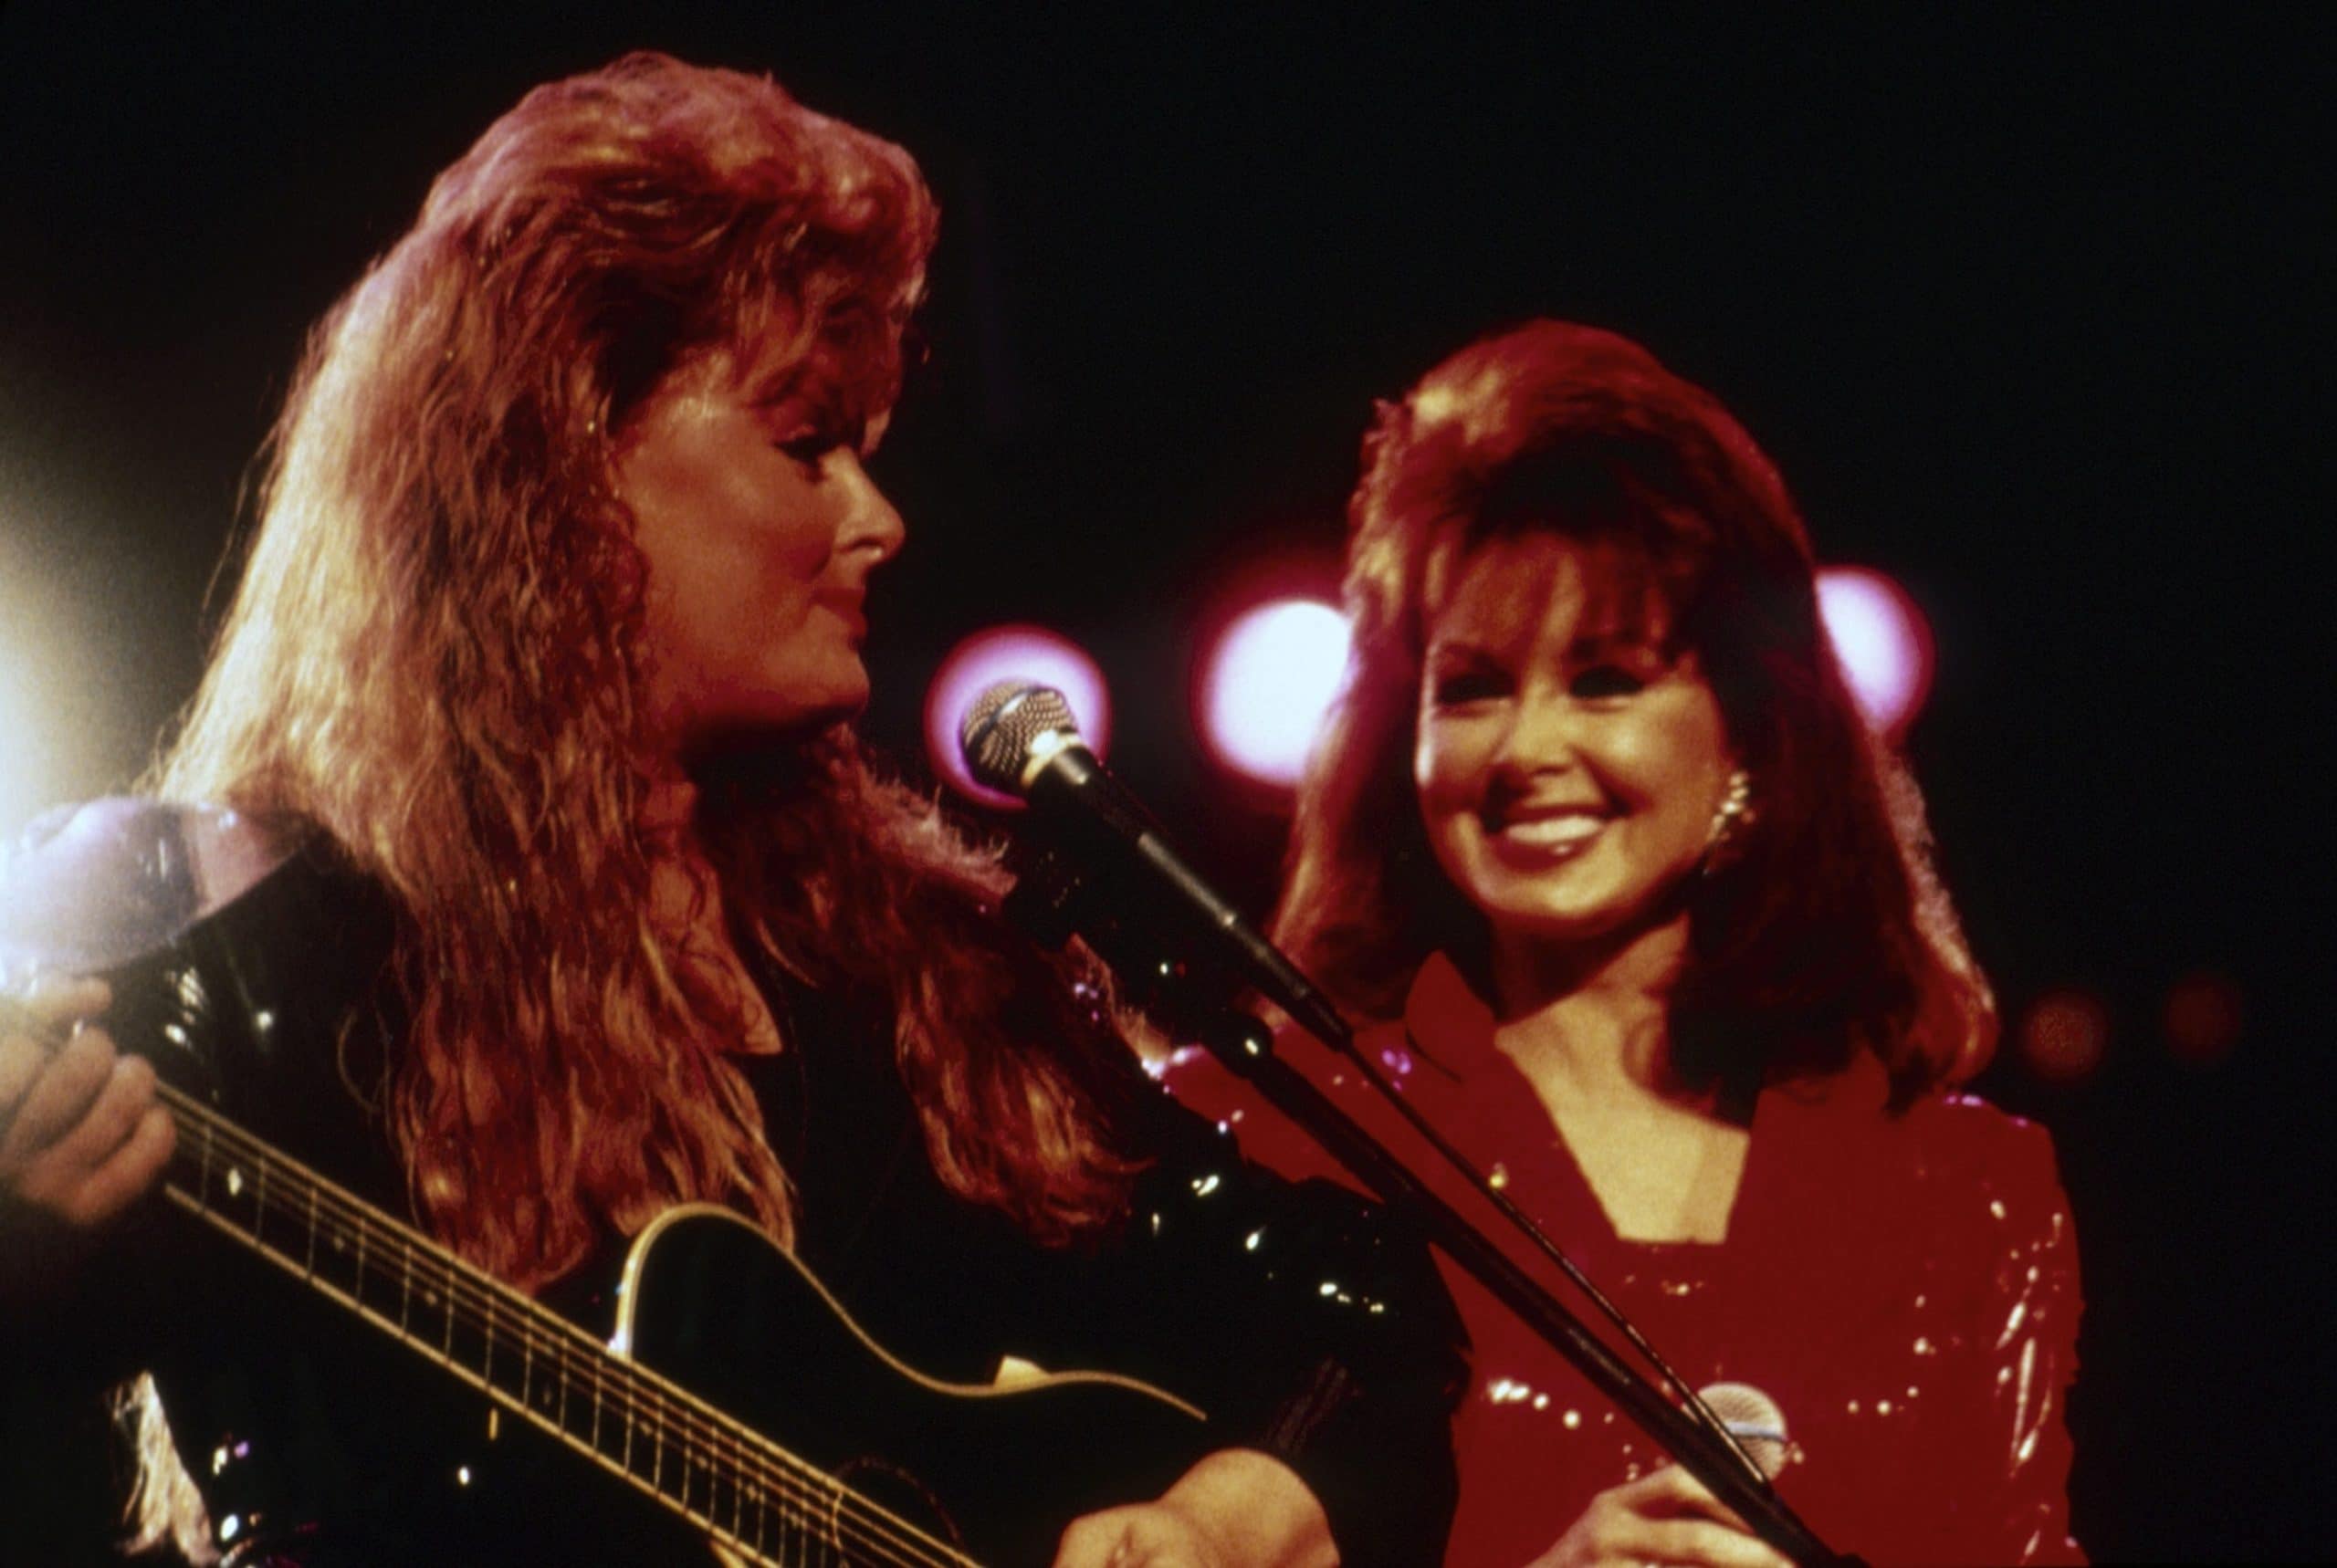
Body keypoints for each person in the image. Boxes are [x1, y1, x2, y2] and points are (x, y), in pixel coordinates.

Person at [0, 52, 1464, 1567]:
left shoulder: (913, 974)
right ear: (564, 465)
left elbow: (1357, 1304)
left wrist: (1230, 1517)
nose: (879, 521)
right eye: (806, 443)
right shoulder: (249, 954)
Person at [1168, 321, 2083, 1566]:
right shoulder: (1271, 1131)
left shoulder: (1970, 1195)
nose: (1527, 749)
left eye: (1604, 680)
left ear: (1754, 733)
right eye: (1474, 687)